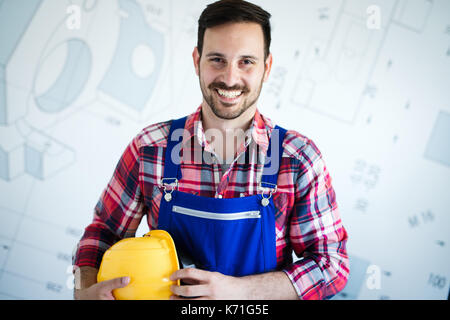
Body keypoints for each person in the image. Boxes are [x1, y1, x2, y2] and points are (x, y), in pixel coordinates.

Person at [72, 0, 349, 300]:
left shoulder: (298, 160)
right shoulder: (150, 149)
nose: (230, 78)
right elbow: (102, 235)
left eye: (246, 61)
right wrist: (83, 290)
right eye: (217, 59)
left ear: (267, 67)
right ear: (197, 61)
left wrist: (239, 292)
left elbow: (331, 266)